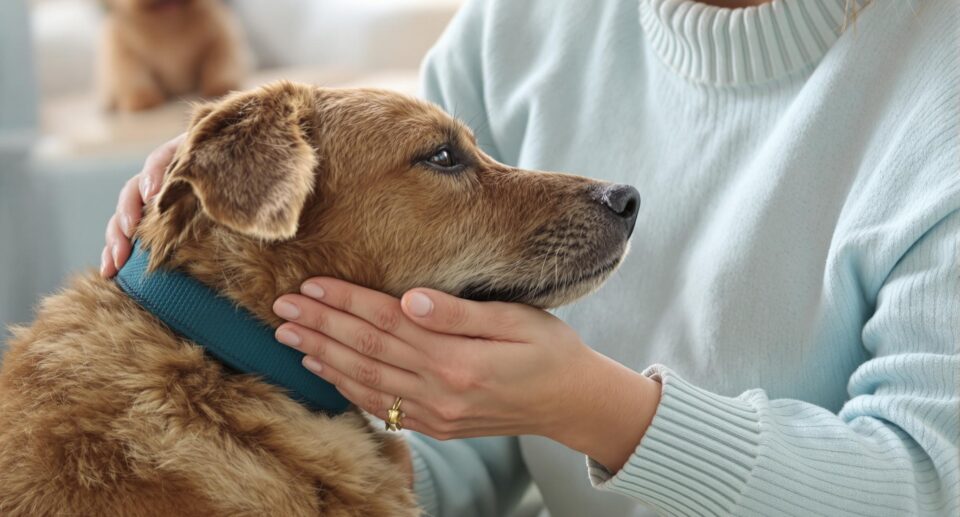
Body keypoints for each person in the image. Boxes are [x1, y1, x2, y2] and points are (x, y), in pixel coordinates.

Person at [103, 0, 959, 515]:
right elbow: (463, 441)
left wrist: (598, 409)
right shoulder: (515, 28)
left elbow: (930, 484)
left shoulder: (938, 89)